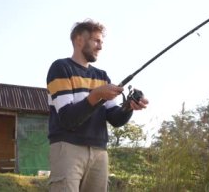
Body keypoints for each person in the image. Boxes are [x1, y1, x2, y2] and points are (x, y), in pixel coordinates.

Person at [46, 19, 149, 192]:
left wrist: (129, 106)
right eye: (96, 41)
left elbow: (115, 118)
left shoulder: (102, 76)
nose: (100, 47)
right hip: (67, 147)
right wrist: (97, 95)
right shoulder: (61, 68)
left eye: (101, 42)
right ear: (79, 40)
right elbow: (68, 118)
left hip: (99, 152)